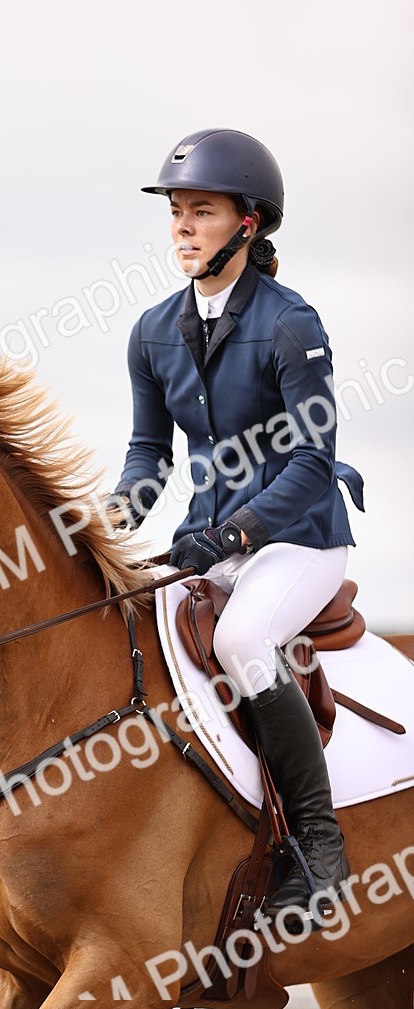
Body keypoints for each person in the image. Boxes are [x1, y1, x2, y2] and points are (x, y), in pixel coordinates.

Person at [108, 128, 364, 922]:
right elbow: (150, 451)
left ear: (248, 224)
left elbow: (313, 462)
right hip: (209, 540)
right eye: (177, 212)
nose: (182, 227)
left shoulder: (291, 324)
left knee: (243, 642)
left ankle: (320, 850)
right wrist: (108, 519)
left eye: (202, 212)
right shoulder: (153, 330)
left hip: (300, 540)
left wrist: (235, 534)